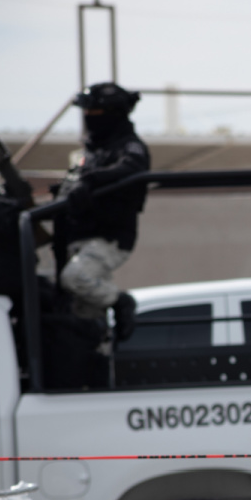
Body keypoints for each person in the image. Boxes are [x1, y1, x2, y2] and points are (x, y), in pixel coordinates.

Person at [54, 82, 150, 334]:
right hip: (78, 237)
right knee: (83, 318)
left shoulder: (129, 146)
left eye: (94, 113)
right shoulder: (90, 151)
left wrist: (93, 180)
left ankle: (121, 302)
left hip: (110, 237)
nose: (88, 119)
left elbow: (133, 168)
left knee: (75, 278)